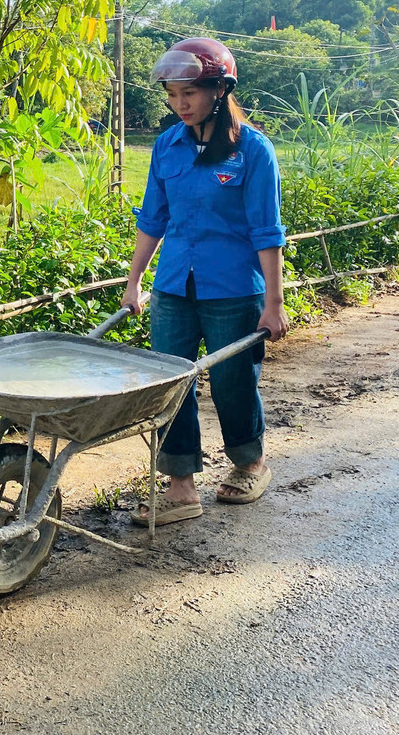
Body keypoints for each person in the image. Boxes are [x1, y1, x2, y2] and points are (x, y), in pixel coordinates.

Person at [120, 37, 291, 526]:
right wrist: (134, 282)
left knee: (234, 381)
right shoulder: (167, 144)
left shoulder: (253, 150)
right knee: (170, 386)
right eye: (173, 95)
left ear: (220, 88)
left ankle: (250, 464)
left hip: (234, 288)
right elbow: (153, 218)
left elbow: (267, 230)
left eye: (189, 93)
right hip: (174, 287)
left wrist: (273, 302)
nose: (181, 105)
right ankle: (180, 487)